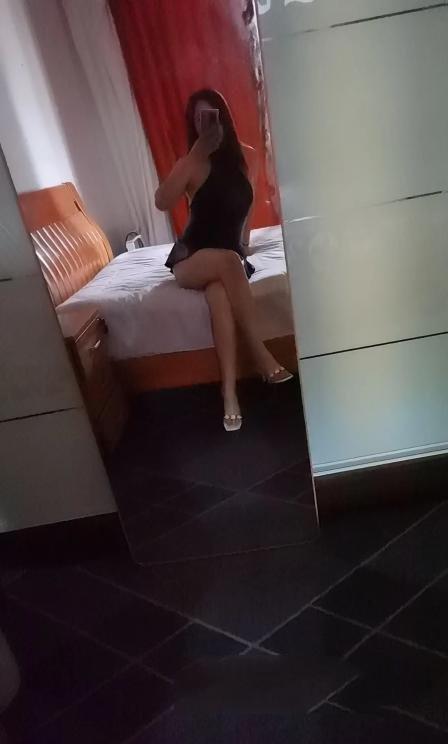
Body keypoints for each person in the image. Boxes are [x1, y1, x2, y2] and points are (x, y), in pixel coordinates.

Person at [155, 88, 292, 432]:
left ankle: (229, 394)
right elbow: (162, 201)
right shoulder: (190, 164)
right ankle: (260, 354)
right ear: (193, 125)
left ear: (224, 117)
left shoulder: (249, 157)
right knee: (229, 262)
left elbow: (246, 208)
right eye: (198, 119)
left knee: (219, 293)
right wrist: (194, 154)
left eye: (211, 115)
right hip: (191, 257)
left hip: (228, 256)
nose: (205, 124)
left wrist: (245, 243)